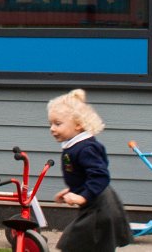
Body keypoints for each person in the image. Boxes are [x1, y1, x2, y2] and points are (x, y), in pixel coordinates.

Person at [48, 89, 132, 251]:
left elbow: (100, 176)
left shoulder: (86, 148)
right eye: (50, 124)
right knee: (84, 245)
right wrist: (72, 189)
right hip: (94, 202)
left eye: (58, 124)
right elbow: (85, 174)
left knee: (77, 244)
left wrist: (82, 197)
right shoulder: (74, 147)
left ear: (78, 125)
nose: (52, 128)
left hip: (100, 205)